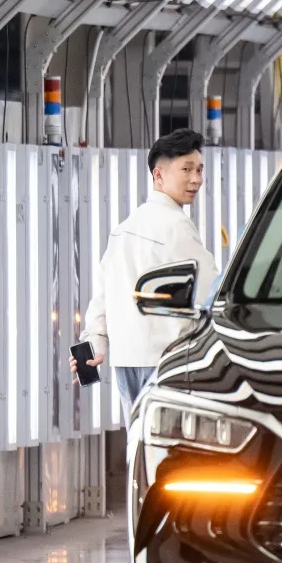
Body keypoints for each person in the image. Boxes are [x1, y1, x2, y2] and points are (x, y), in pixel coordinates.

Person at [81, 128, 218, 407]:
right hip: (166, 361)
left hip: (126, 361)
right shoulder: (177, 226)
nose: (196, 179)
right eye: (187, 169)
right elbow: (213, 291)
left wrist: (94, 342)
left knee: (139, 444)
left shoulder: (124, 229)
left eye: (200, 170)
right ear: (159, 175)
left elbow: (104, 296)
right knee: (172, 446)